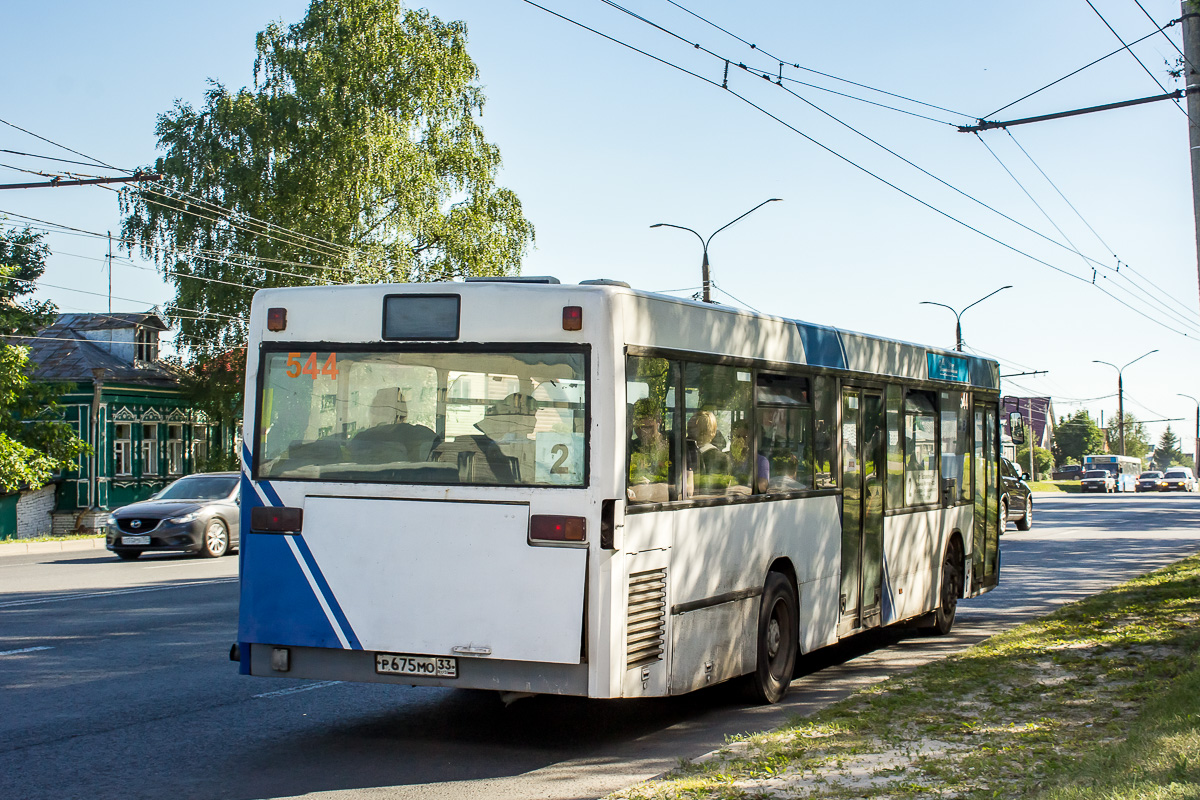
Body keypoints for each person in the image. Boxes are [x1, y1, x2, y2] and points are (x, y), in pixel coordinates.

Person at [730, 419, 768, 494]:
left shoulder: (761, 461)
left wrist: (746, 490)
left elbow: (763, 487)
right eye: (737, 436)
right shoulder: (726, 458)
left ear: (750, 439)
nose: (740, 440)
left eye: (744, 437)